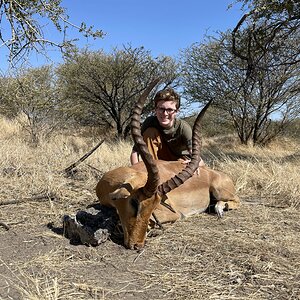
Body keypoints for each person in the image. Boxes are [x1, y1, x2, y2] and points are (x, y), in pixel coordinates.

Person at [130, 87, 204, 166]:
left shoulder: (183, 127)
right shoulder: (149, 122)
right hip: (158, 162)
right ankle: (152, 170)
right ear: (155, 109)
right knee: (150, 132)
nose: (165, 113)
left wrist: (194, 163)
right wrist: (137, 169)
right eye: (161, 109)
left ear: (176, 111)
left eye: (170, 110)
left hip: (180, 162)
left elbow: (200, 161)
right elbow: (135, 152)